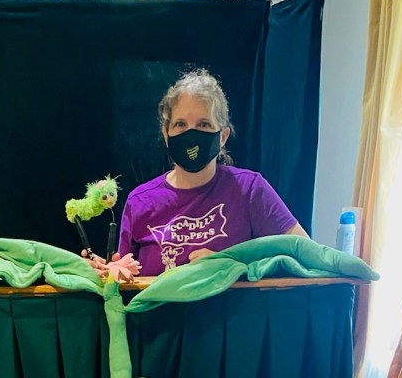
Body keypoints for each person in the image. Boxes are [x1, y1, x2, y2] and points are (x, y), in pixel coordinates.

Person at [118, 69, 307, 274]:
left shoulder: (250, 191)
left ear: (223, 136)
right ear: (166, 134)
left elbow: (305, 253)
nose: (191, 134)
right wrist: (105, 272)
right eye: (180, 124)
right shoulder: (139, 201)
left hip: (230, 307)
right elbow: (123, 276)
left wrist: (232, 264)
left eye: (204, 124)